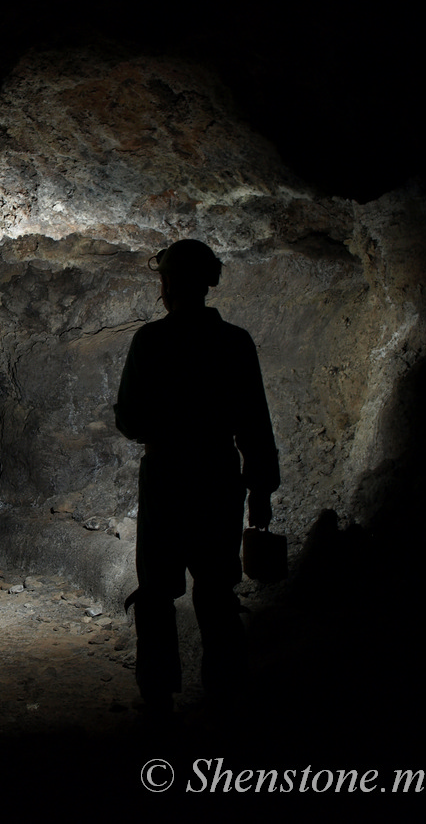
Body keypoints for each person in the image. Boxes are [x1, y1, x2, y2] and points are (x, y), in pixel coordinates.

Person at [114, 239, 279, 715]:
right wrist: (261, 489)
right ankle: (226, 691)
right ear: (208, 283)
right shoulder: (235, 342)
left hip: (167, 475)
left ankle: (159, 695)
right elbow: (254, 422)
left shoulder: (151, 341)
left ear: (167, 286)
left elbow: (129, 420)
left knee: (158, 590)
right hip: (216, 476)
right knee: (215, 588)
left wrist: (164, 423)